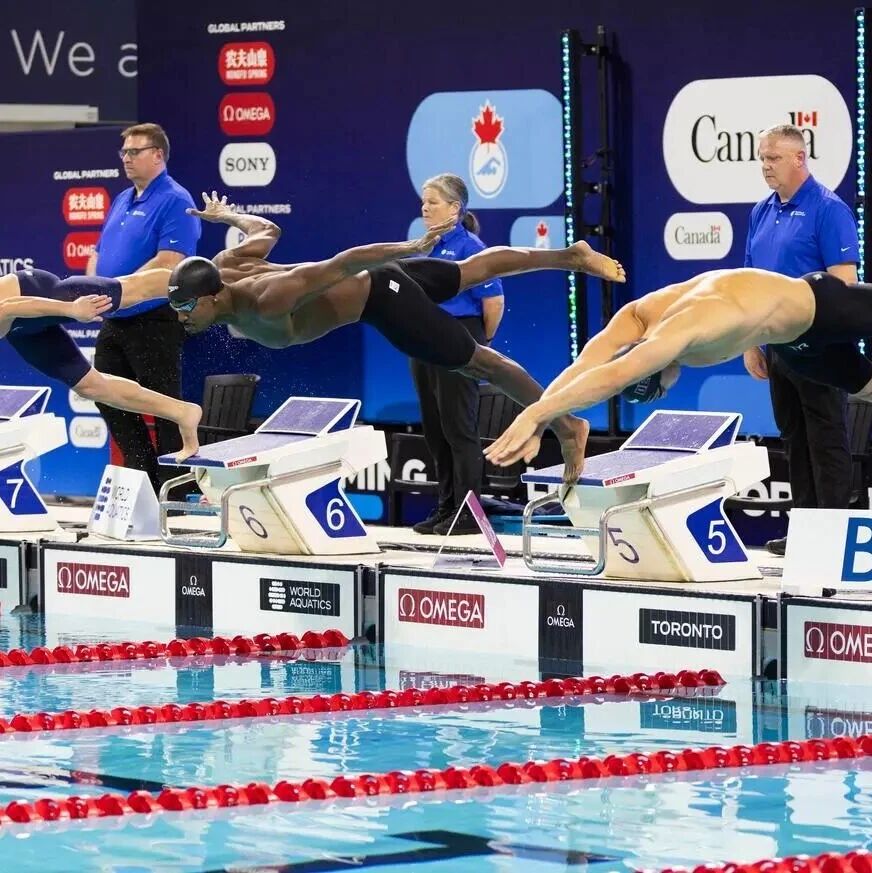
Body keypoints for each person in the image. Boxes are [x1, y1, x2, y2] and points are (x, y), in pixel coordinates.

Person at [166, 192, 627, 484]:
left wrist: (407, 248)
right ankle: (571, 255)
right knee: (471, 270)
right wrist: (230, 216)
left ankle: (568, 427)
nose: (182, 318)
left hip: (383, 298)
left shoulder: (266, 298)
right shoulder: (226, 264)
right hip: (382, 279)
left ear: (211, 296)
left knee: (480, 364)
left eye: (186, 308)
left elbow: (343, 263)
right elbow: (268, 229)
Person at [484, 267, 872, 472]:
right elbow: (586, 365)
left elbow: (615, 376)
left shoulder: (681, 330)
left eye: (659, 390)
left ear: (655, 370)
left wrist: (536, 411)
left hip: (824, 306)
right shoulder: (638, 317)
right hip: (794, 347)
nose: (669, 390)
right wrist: (543, 422)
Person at [743, 124, 859, 556]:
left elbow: (845, 284)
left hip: (821, 351)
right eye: (761, 158)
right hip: (779, 349)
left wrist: (816, 334)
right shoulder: (761, 211)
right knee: (794, 436)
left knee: (826, 440)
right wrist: (751, 342)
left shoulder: (828, 209)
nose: (765, 167)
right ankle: (806, 533)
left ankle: (833, 537)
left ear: (799, 159)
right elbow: (751, 283)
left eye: (773, 158)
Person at [86, 123, 201, 491]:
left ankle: (176, 491)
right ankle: (142, 471)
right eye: (124, 153)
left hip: (153, 318)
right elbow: (98, 254)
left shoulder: (176, 199)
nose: (126, 159)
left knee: (166, 410)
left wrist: (120, 289)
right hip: (115, 318)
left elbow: (169, 261)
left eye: (134, 152)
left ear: (158, 155)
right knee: (101, 390)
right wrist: (94, 288)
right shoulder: (123, 198)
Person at [0, 267, 201, 460]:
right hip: (20, 330)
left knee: (127, 292)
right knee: (91, 387)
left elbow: (8, 306)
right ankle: (183, 413)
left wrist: (71, 308)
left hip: (33, 292)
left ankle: (201, 281)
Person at [410, 174, 505, 536]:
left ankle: (469, 513)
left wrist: (478, 343)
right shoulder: (424, 246)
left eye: (433, 202)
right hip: (422, 341)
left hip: (458, 337)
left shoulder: (471, 247)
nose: (424, 208)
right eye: (423, 201)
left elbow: (494, 302)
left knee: (459, 429)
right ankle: (446, 506)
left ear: (454, 208)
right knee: (435, 431)